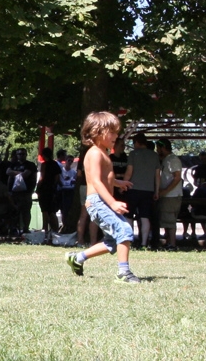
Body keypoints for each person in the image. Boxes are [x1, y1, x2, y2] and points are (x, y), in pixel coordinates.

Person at [65, 111, 139, 283]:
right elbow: (97, 182)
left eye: (116, 131)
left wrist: (118, 183)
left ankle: (77, 258)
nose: (116, 135)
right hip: (99, 202)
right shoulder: (95, 153)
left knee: (112, 241)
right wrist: (113, 203)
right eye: (111, 132)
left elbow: (106, 179)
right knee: (124, 231)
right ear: (97, 132)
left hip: (101, 201)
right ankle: (123, 273)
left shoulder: (103, 152)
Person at [123, 132, 160, 249]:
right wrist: (157, 191)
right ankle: (144, 243)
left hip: (133, 189)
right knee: (145, 217)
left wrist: (122, 185)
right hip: (148, 190)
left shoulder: (133, 154)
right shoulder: (154, 156)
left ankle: (129, 241)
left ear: (137, 143)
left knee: (129, 216)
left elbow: (129, 172)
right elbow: (157, 175)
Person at [155, 138, 183, 251]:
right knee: (166, 220)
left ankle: (172, 244)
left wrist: (165, 191)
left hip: (172, 196)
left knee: (170, 220)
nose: (157, 151)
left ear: (163, 148)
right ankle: (168, 242)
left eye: (158, 148)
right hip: (167, 195)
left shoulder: (173, 160)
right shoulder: (166, 159)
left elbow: (177, 178)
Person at [6, 148, 37, 233]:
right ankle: (13, 228)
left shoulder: (30, 164)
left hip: (26, 192)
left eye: (23, 154)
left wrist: (14, 173)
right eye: (19, 154)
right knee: (13, 211)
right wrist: (20, 173)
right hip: (14, 192)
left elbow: (26, 175)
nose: (21, 155)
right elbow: (8, 172)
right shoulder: (13, 164)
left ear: (26, 155)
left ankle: (26, 228)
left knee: (26, 211)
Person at [36, 147, 62, 236]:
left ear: (43, 155)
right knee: (52, 211)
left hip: (44, 189)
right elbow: (57, 178)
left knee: (44, 210)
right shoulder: (55, 164)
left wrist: (37, 187)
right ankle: (55, 229)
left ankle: (45, 229)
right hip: (52, 189)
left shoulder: (44, 165)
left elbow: (42, 177)